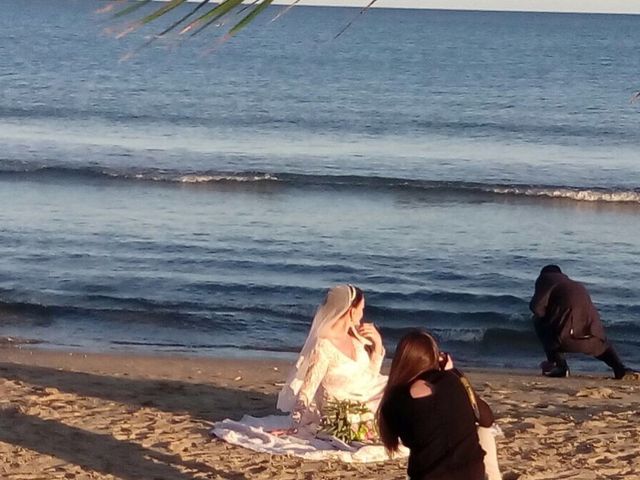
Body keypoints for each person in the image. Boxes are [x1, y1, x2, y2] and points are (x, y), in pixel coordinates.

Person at [377, 330, 495, 480]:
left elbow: (411, 439)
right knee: (483, 432)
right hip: (472, 475)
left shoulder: (394, 402)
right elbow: (487, 419)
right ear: (436, 358)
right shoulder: (453, 381)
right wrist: (454, 372)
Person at [277, 284, 387, 432]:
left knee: (401, 387)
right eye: (361, 309)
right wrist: (293, 425)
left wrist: (377, 344)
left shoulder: (356, 339)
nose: (362, 314)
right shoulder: (324, 346)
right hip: (345, 412)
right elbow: (308, 389)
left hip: (366, 396)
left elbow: (370, 377)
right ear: (350, 311)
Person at [530, 264, 635, 379]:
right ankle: (620, 368)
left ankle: (560, 366)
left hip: (564, 339)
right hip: (592, 337)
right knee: (602, 347)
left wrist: (546, 317)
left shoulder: (545, 278)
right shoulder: (576, 285)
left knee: (537, 321)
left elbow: (536, 307)